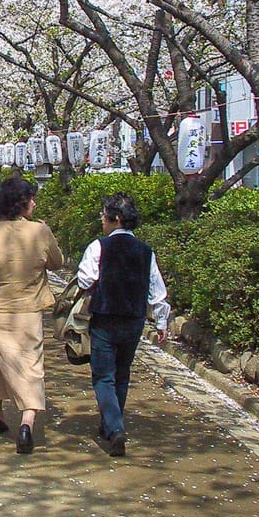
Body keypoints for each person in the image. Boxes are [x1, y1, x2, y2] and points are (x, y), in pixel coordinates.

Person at [0, 175, 63, 454]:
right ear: (23, 203)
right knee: (30, 364)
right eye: (31, 198)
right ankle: (27, 422)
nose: (34, 203)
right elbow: (57, 263)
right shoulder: (40, 231)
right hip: (27, 310)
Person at [76, 191, 170, 458]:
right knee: (122, 373)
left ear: (115, 219)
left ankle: (115, 427)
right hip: (133, 320)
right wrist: (161, 322)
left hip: (105, 317)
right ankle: (109, 424)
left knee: (103, 376)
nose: (101, 220)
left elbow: (85, 280)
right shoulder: (145, 251)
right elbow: (157, 290)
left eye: (104, 215)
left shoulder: (99, 247)